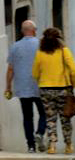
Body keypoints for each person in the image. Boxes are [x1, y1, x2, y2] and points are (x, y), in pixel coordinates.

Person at [32, 27, 75, 154]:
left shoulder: (40, 53)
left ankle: (52, 145)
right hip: (63, 88)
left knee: (50, 118)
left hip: (45, 89)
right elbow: (74, 70)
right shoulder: (64, 51)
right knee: (65, 118)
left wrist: (42, 82)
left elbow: (35, 73)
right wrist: (73, 84)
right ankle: (68, 145)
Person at [5, 19, 46, 152]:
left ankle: (31, 146)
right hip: (40, 86)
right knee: (44, 113)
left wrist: (8, 87)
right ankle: (40, 133)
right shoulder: (41, 45)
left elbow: (10, 69)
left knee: (27, 117)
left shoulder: (15, 46)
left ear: (22, 31)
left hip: (22, 87)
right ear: (34, 31)